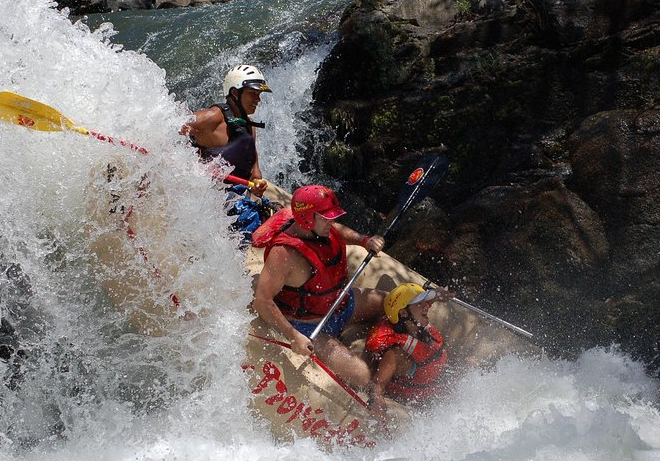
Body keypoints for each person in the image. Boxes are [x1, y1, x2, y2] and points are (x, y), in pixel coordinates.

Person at [251, 185, 386, 389]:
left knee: (392, 303)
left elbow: (338, 231)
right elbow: (262, 301)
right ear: (306, 218)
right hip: (310, 326)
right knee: (362, 375)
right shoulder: (284, 254)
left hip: (340, 304)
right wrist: (294, 336)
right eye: (326, 217)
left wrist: (363, 240)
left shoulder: (321, 227)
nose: (331, 221)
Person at [365, 282, 454, 420]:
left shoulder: (418, 324)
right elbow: (378, 385)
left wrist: (437, 294)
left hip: (438, 389)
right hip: (420, 404)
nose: (426, 306)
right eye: (420, 303)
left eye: (426, 302)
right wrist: (377, 402)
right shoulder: (398, 353)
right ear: (404, 312)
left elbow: (425, 304)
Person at [180, 64, 271, 197]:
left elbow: (255, 172)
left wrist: (257, 184)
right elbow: (171, 125)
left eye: (259, 94)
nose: (258, 100)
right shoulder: (211, 118)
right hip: (210, 199)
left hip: (238, 198)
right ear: (235, 93)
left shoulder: (249, 125)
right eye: (252, 94)